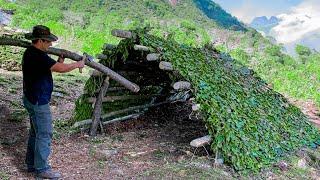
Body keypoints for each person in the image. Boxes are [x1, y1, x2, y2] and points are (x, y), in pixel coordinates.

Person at [22, 25, 85, 179]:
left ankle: (31, 164)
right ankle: (41, 169)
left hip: (31, 98)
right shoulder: (38, 56)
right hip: (38, 100)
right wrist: (78, 64)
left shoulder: (31, 53)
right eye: (48, 41)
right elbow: (61, 69)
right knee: (44, 133)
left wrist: (59, 61)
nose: (50, 44)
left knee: (36, 132)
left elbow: (50, 67)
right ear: (40, 41)